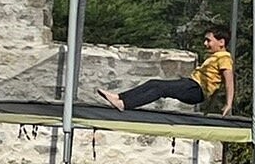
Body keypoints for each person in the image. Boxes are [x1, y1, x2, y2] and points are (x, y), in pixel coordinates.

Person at [98, 27, 235, 116]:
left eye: (209, 40)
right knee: (154, 83)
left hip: (195, 89)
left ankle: (124, 104)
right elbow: (216, 87)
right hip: (191, 85)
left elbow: (228, 82)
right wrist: (208, 110)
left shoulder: (224, 58)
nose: (205, 44)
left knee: (159, 89)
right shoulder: (214, 58)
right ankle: (119, 97)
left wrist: (228, 103)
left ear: (221, 42)